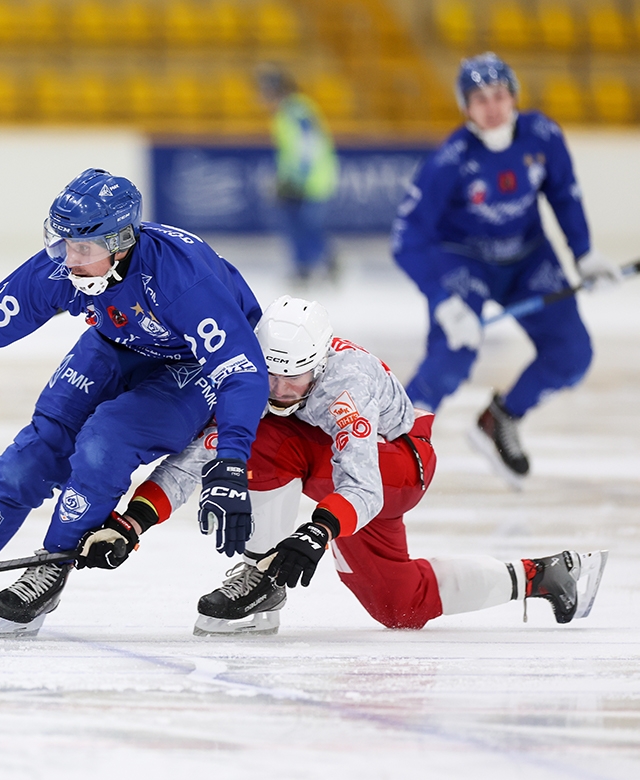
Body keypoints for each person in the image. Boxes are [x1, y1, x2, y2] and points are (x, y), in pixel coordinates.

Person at [0, 168, 269, 638]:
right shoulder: (65, 266)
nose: (69, 260)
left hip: (190, 366)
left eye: (84, 249)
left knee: (105, 441)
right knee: (31, 454)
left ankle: (51, 566)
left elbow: (242, 372)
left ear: (121, 243)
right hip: (117, 341)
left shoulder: (183, 279)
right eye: (63, 243)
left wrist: (232, 461)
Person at [107, 295, 607, 636]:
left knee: (263, 435)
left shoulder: (345, 386)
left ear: (320, 363)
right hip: (338, 468)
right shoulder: (253, 373)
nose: (279, 390)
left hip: (398, 464)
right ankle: (544, 575)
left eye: (295, 377)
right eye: (270, 374)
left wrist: (314, 532)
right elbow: (194, 458)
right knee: (399, 605)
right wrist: (133, 521)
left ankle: (263, 578)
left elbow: (363, 486)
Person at [392, 53, 620, 489]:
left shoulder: (543, 136)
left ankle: (500, 419)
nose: (492, 106)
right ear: (465, 107)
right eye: (479, 98)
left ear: (513, 95)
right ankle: (391, 443)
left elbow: (565, 195)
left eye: (499, 94)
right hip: (464, 262)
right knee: (451, 359)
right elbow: (407, 239)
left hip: (530, 258)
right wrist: (443, 301)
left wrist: (584, 253)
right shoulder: (450, 161)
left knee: (571, 354)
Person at [256, 64, 338, 286]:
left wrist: (295, 178)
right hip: (304, 178)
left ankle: (316, 264)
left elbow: (306, 145)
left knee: (306, 223)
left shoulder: (295, 110)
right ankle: (311, 265)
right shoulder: (289, 111)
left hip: (310, 180)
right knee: (298, 223)